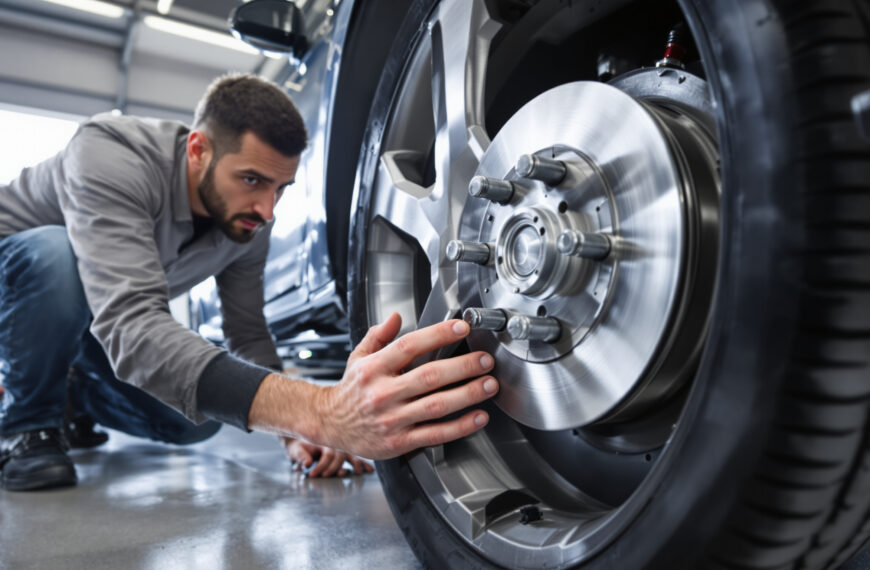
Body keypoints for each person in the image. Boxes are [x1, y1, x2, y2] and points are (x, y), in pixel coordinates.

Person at [0, 73, 499, 491]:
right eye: (252, 180)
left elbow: (248, 333)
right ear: (198, 150)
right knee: (55, 253)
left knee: (195, 418)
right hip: (19, 291)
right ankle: (25, 426)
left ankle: (71, 397)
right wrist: (324, 410)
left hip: (85, 320)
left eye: (281, 188)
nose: (267, 210)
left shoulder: (248, 223)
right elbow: (131, 325)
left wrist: (293, 431)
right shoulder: (109, 153)